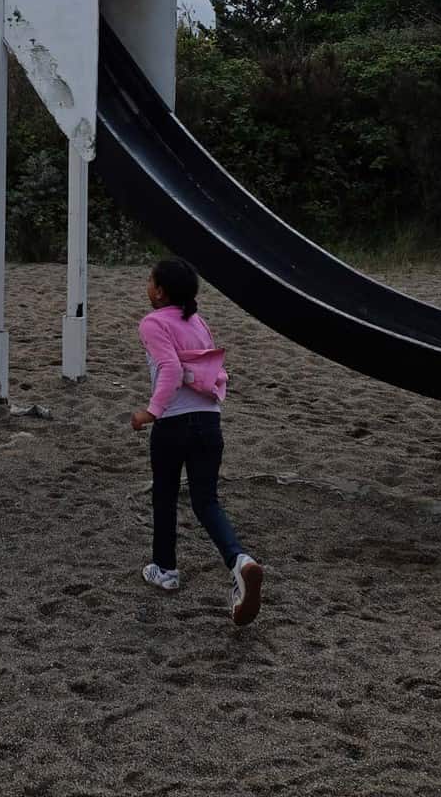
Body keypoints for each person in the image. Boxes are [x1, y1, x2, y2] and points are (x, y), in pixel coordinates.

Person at [130, 257, 263, 626]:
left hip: (174, 423)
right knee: (206, 501)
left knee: (165, 495)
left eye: (150, 281)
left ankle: (166, 570)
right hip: (209, 421)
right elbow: (212, 370)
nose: (147, 285)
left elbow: (171, 369)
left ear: (159, 291)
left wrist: (151, 412)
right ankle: (240, 560)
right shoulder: (197, 321)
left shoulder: (153, 322)